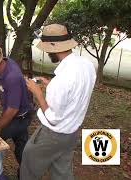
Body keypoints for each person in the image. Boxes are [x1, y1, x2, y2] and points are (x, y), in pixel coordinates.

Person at [20, 24, 96, 180]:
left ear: (54, 46)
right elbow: (76, 90)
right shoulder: (86, 65)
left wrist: (38, 93)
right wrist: (50, 85)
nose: (47, 52)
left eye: (47, 49)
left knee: (28, 161)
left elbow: (53, 119)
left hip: (53, 135)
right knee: (62, 171)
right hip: (72, 132)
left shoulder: (60, 81)